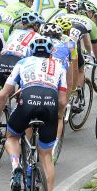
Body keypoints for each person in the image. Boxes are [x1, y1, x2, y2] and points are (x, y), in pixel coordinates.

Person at [0, 37, 67, 190]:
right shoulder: (59, 67)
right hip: (50, 104)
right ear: (50, 52)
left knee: (12, 137)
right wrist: (58, 115)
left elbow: (3, 95)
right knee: (46, 155)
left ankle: (16, 166)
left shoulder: (22, 63)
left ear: (30, 51)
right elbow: (63, 101)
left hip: (27, 101)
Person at [39, 21, 76, 159]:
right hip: (57, 83)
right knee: (59, 117)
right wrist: (67, 97)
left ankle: (25, 149)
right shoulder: (69, 43)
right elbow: (71, 76)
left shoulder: (36, 41)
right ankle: (53, 148)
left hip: (37, 82)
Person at [0, 12, 42, 94]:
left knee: (5, 86)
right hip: (19, 62)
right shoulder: (38, 36)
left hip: (3, 60)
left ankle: (4, 100)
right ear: (36, 26)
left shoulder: (14, 32)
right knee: (24, 86)